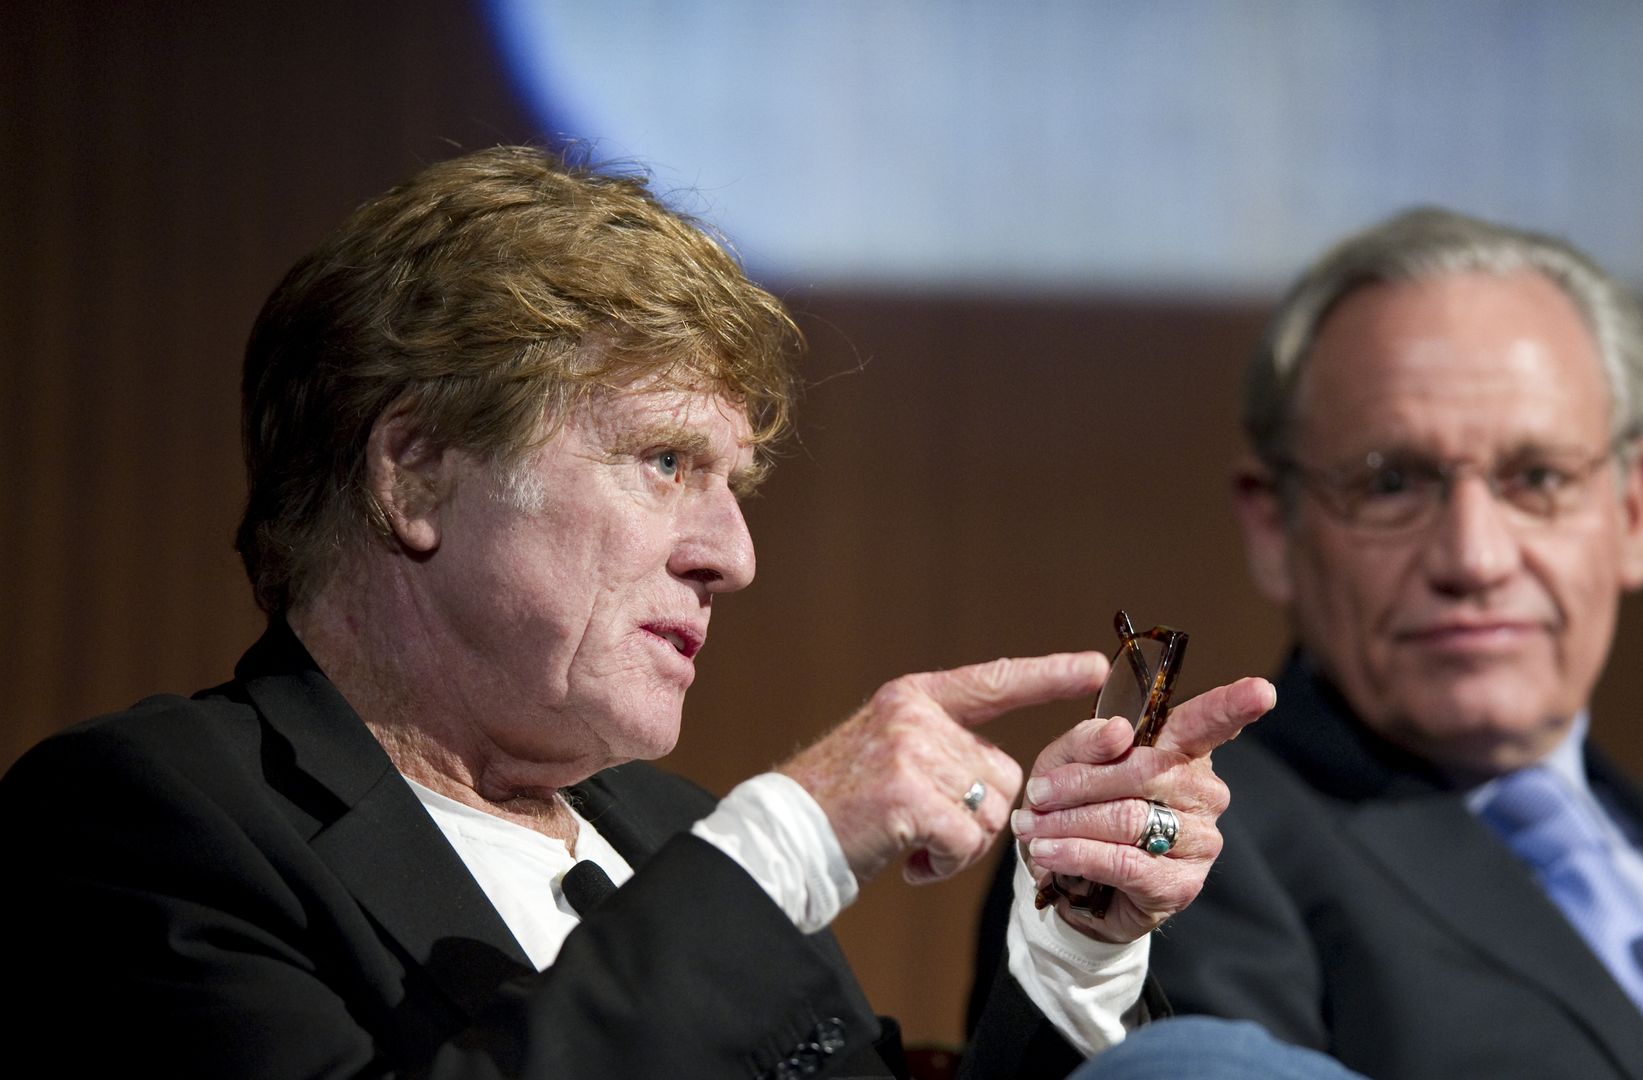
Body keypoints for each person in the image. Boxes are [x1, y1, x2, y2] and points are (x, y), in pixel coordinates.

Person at [0, 145, 1279, 1079]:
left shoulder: (668, 840)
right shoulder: (147, 822)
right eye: (666, 462)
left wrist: (1074, 947)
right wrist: (789, 839)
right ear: (417, 474)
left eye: (734, 484)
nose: (733, 554)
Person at [1133, 208, 1643, 1078]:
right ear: (1275, 528)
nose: (1475, 558)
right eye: (1392, 483)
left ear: (1634, 510)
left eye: (1538, 479)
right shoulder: (1182, 858)